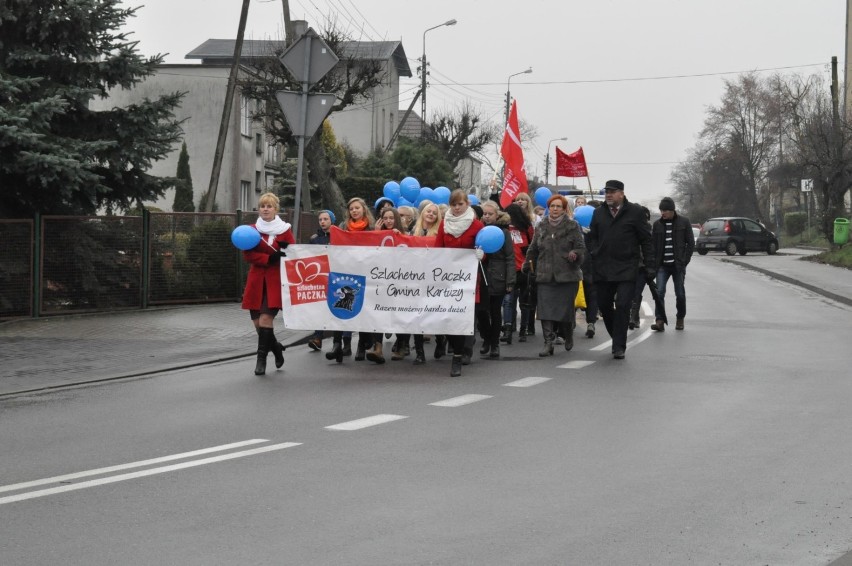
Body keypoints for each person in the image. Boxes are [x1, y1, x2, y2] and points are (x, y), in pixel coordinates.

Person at [588, 180, 654, 360]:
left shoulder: (635, 212)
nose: (608, 194)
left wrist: (650, 265)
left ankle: (619, 346)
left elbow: (646, 241)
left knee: (624, 305)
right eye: (606, 191)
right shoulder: (598, 213)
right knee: (604, 305)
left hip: (627, 267)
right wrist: (594, 251)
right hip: (604, 267)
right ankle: (617, 335)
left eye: (612, 191)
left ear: (621, 193)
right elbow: (592, 237)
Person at [523, 194, 585, 357]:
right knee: (545, 310)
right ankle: (548, 342)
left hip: (567, 275)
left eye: (558, 206)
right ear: (548, 208)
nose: (555, 209)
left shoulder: (572, 225)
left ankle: (568, 332)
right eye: (552, 206)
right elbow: (533, 248)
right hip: (545, 274)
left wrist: (574, 254)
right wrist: (527, 263)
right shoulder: (541, 225)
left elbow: (581, 248)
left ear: (564, 209)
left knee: (565, 311)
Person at [241, 192, 295, 375]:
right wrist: (268, 258)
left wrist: (285, 252)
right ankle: (277, 348)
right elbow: (247, 255)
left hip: (274, 281)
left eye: (269, 206)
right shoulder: (252, 229)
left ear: (275, 209)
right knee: (258, 324)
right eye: (263, 206)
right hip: (256, 280)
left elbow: (293, 252)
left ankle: (261, 359)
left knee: (266, 319)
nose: (265, 209)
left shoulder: (285, 230)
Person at [434, 189, 484, 377]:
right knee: (448, 317)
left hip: (468, 279)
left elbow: (483, 249)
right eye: (453, 204)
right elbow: (438, 248)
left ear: (467, 204)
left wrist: (482, 254)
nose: (456, 208)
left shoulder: (477, 225)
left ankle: (460, 354)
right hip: (447, 278)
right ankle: (456, 347)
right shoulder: (444, 224)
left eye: (460, 204)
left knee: (463, 316)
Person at [325, 197, 376, 364]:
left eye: (357, 208)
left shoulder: (372, 228)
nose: (354, 211)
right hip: (345, 272)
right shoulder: (342, 227)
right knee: (340, 308)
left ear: (363, 209)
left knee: (362, 309)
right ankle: (337, 345)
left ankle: (362, 345)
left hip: (365, 272)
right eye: (351, 208)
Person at [650, 196, 695, 331]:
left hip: (677, 266)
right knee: (660, 293)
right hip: (662, 266)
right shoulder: (657, 225)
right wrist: (653, 263)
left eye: (665, 210)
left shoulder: (684, 222)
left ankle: (680, 318)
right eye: (661, 210)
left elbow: (691, 243)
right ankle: (660, 321)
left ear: (672, 210)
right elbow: (652, 245)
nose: (662, 213)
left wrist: (684, 261)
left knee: (680, 294)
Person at [478, 201, 515, 359]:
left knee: (495, 311)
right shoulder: (480, 230)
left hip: (499, 276)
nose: (486, 216)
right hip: (482, 274)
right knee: (481, 312)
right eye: (484, 214)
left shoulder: (503, 232)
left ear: (497, 214)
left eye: (490, 214)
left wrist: (510, 280)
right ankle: (486, 338)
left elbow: (509, 257)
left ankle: (494, 344)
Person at [503, 203, 535, 343]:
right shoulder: (503, 229)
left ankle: (523, 330)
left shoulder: (527, 229)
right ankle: (508, 330)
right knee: (508, 301)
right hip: (509, 270)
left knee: (525, 302)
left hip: (524, 269)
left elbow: (534, 246)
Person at [306, 209, 335, 352]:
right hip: (321, 277)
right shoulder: (314, 238)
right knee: (320, 308)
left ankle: (341, 341)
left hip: (336, 277)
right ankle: (317, 337)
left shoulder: (338, 236)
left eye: (326, 219)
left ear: (332, 220)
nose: (322, 222)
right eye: (320, 220)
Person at [628, 206, 653, 330]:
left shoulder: (649, 230)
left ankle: (633, 318)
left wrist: (651, 266)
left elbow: (651, 248)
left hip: (643, 267)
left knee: (637, 292)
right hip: (630, 265)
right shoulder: (630, 230)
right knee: (631, 293)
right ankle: (635, 317)